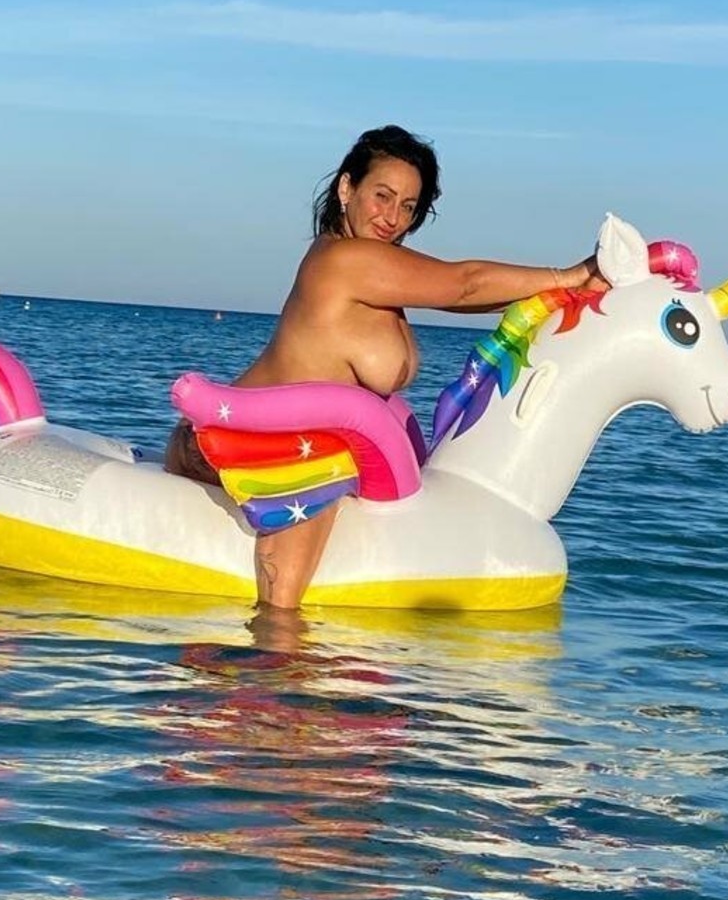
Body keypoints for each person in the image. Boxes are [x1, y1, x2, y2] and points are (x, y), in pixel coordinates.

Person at [165, 125, 603, 612]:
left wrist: (564, 293)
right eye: (383, 196)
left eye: (409, 206)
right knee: (285, 610)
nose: (393, 217)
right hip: (237, 445)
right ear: (346, 188)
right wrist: (574, 274)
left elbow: (463, 298)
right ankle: (272, 646)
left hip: (298, 443)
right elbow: (464, 283)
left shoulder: (379, 270)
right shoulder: (345, 259)